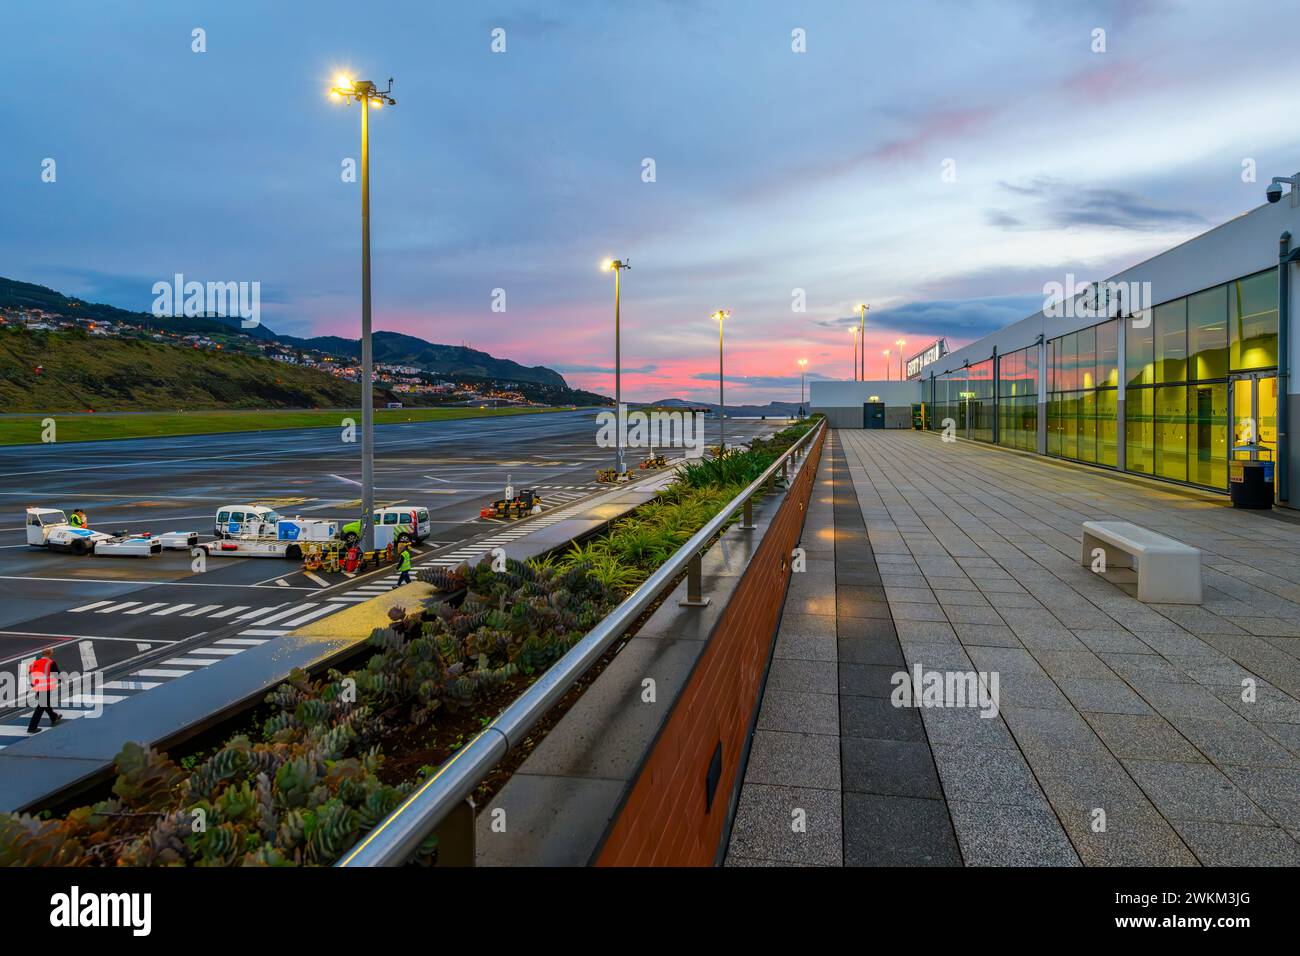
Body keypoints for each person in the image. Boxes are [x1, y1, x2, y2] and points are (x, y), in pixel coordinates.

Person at [27, 648, 61, 733]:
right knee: (41, 706)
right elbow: (57, 674)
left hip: (38, 687)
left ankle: (54, 717)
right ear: (49, 654)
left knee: (45, 704)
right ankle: (32, 727)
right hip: (45, 687)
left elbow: (30, 675)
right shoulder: (50, 662)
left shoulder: (34, 664)